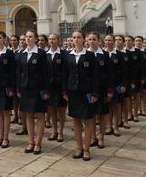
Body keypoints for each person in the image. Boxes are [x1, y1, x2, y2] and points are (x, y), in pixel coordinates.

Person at [63, 29, 98, 162]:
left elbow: (95, 76)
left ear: (84, 40)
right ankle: (79, 147)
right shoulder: (68, 55)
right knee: (76, 121)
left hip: (86, 92)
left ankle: (87, 149)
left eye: (78, 37)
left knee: (87, 120)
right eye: (74, 37)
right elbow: (65, 74)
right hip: (73, 92)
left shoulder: (89, 55)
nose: (76, 39)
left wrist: (95, 93)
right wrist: (64, 91)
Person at [16, 29, 50, 154]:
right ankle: (31, 142)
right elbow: (18, 73)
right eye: (26, 37)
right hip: (25, 89)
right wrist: (18, 88)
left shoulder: (41, 53)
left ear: (35, 39)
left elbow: (46, 73)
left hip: (38, 89)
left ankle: (38, 143)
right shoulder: (22, 54)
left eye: (30, 37)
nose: (28, 39)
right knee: (28, 115)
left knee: (40, 115)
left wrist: (46, 90)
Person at [88, 32, 113, 149]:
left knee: (103, 114)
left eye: (94, 39)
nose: (92, 41)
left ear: (99, 41)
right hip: (89, 90)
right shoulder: (85, 54)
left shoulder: (105, 55)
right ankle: (93, 137)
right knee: (91, 114)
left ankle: (101, 137)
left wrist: (109, 90)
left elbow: (109, 74)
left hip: (102, 89)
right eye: (90, 39)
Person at [46, 33, 67, 143]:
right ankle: (54, 131)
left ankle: (61, 132)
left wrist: (65, 89)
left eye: (54, 39)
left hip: (60, 87)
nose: (52, 41)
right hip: (50, 87)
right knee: (52, 109)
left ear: (58, 40)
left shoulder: (64, 54)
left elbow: (65, 72)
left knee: (61, 110)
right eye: (50, 39)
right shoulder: (46, 54)